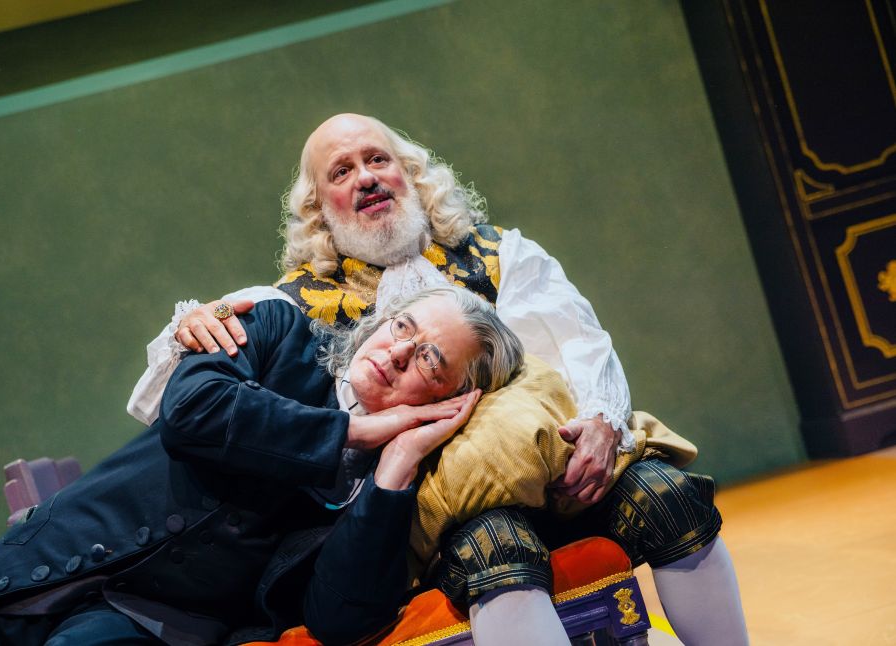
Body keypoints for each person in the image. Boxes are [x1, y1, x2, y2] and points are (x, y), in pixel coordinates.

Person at [129, 113, 749, 646]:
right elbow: (179, 393)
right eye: (341, 171)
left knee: (668, 497)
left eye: (378, 159)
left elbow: (580, 344)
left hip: (552, 472)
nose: (366, 177)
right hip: (437, 517)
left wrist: (602, 422)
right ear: (318, 210)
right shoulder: (293, 303)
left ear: (412, 173)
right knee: (496, 545)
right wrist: (193, 325)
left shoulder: (501, 255)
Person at [0, 286, 525, 645]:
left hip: (158, 627)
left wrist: (394, 468)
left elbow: (339, 620)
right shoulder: (280, 327)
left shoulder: (384, 488)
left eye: (429, 361)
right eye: (402, 327)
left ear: (450, 402)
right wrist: (349, 430)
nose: (396, 353)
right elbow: (193, 409)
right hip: (61, 556)